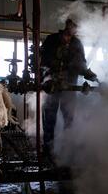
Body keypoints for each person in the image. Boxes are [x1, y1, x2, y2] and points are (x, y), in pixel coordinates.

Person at [40, 17, 98, 155]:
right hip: (52, 86)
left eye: (76, 26)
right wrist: (49, 71)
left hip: (69, 87)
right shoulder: (51, 40)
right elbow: (42, 61)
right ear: (67, 24)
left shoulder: (77, 44)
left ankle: (67, 149)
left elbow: (81, 64)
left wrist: (90, 74)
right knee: (49, 119)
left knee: (69, 119)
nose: (74, 28)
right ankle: (48, 150)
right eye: (72, 25)